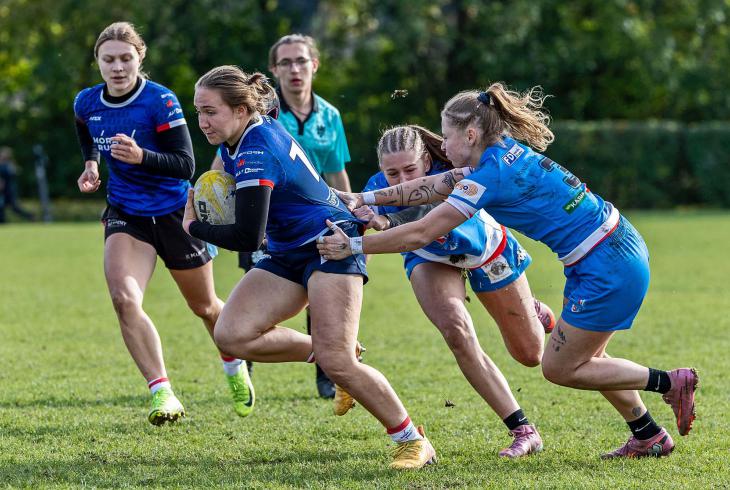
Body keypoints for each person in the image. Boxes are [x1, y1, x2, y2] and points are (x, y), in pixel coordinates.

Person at [318, 84, 698, 459]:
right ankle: (648, 435)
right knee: (591, 359)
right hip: (613, 245)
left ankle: (669, 382)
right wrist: (365, 198)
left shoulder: (490, 176)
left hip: (605, 264)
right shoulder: (502, 152)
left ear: (470, 134)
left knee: (558, 368)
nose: (442, 146)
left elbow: (420, 232)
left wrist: (353, 246)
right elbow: (435, 184)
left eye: (447, 136)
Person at [184, 65, 436, 470]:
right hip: (289, 250)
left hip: (331, 244)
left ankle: (412, 440)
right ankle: (334, 350)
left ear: (241, 109)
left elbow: (248, 236)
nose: (203, 121)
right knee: (231, 334)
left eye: (211, 111)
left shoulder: (255, 150)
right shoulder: (245, 134)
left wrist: (193, 227)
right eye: (199, 111)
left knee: (339, 363)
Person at [73, 22, 254, 425]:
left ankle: (232, 363)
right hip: (126, 214)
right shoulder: (86, 101)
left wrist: (142, 156)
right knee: (124, 299)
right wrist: (91, 163)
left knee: (204, 306)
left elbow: (185, 165)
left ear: (139, 58)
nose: (118, 67)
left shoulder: (160, 100)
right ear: (98, 61)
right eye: (108, 59)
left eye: (126, 58)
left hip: (175, 214)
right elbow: (85, 128)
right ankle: (162, 392)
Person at [350, 124, 555, 457]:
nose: (401, 180)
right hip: (429, 257)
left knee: (530, 355)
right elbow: (373, 228)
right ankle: (523, 431)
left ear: (426, 163)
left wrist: (384, 223)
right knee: (456, 332)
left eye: (410, 170)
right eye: (392, 173)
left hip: (485, 250)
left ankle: (531, 309)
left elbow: (421, 219)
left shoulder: (451, 172)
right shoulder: (375, 189)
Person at [210, 34, 351, 398]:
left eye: (300, 61)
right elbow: (222, 169)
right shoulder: (261, 111)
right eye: (285, 62)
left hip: (315, 221)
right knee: (253, 301)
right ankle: (249, 364)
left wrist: (352, 218)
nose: (294, 69)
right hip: (262, 216)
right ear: (274, 69)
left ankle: (329, 371)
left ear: (314, 65)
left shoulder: (330, 116)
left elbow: (335, 172)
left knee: (320, 301)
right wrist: (214, 206)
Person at [0, 147, 34, 223]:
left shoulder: (8, 165)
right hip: (3, 190)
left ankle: (30, 216)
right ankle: (2, 221)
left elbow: (14, 173)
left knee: (13, 207)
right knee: (2, 206)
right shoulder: (5, 165)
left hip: (8, 190)